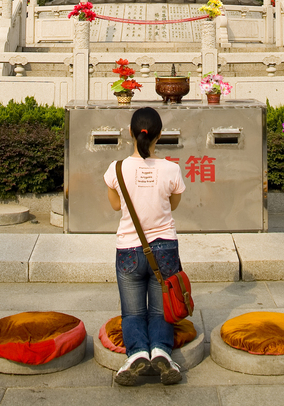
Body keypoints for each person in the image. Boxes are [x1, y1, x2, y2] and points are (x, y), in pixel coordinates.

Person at [103, 105, 186, 386]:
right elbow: (172, 205)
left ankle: (137, 354)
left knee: (133, 311)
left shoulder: (115, 169)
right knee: (162, 308)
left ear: (130, 132)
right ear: (159, 135)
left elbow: (116, 206)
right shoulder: (171, 169)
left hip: (128, 249)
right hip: (164, 249)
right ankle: (162, 351)